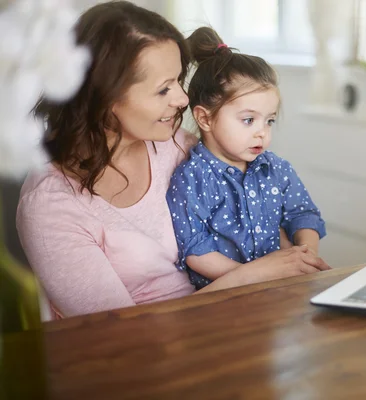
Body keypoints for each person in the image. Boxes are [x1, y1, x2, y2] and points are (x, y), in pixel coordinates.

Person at [16, 1, 329, 319]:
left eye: (179, 81)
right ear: (106, 96)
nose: (182, 99)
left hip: (232, 322)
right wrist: (252, 276)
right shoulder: (51, 206)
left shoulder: (179, 147)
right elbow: (117, 336)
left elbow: (264, 212)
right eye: (164, 89)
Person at [167, 27, 330, 289]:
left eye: (270, 121)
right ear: (205, 118)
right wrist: (257, 275)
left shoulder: (276, 168)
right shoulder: (192, 178)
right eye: (248, 120)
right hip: (224, 299)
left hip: (278, 291)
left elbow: (304, 215)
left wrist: (304, 258)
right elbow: (196, 250)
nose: (262, 133)